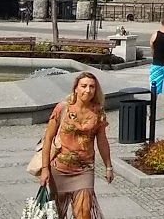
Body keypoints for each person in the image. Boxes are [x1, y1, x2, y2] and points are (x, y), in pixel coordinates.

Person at [37, 71, 113, 219]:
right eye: (84, 86)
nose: (88, 90)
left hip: (84, 169)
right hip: (59, 168)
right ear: (76, 88)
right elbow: (48, 138)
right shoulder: (62, 108)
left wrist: (108, 166)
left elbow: (102, 141)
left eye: (92, 87)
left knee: (84, 213)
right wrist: (45, 169)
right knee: (58, 213)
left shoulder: (98, 112)